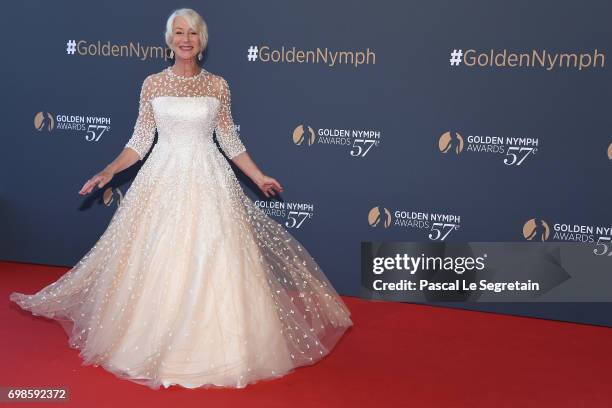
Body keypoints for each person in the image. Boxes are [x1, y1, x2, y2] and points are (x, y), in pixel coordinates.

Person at [10, 8, 353, 390]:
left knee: (216, 256)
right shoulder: (152, 84)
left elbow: (229, 139)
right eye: (178, 32)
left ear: (201, 40)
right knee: (159, 257)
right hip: (162, 178)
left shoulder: (218, 86)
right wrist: (109, 170)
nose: (185, 39)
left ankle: (224, 350)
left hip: (209, 179)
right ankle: (149, 342)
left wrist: (258, 175)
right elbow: (140, 141)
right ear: (169, 39)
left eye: (192, 32)